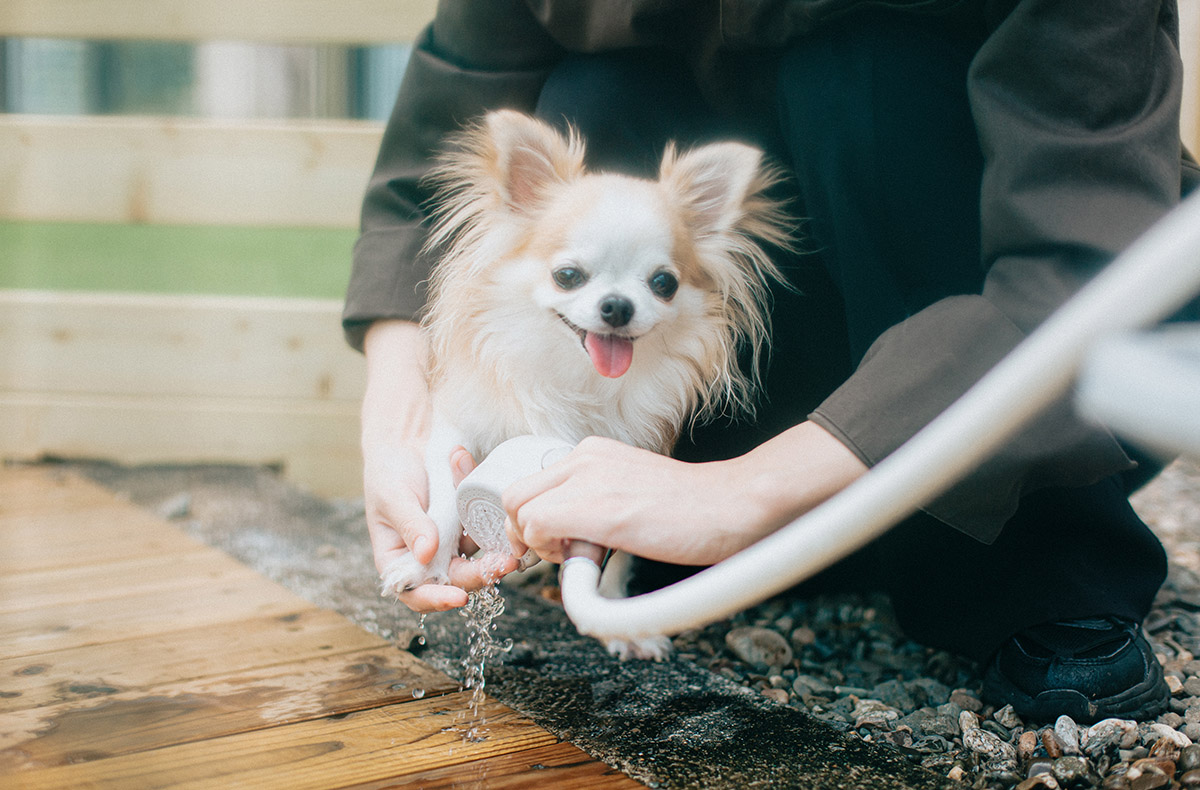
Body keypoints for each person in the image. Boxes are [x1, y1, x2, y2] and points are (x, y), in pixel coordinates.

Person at [344, 0, 1199, 722]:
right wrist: (402, 410)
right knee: (600, 90)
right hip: (738, 370)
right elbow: (454, 98)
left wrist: (739, 494)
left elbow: (1077, 267)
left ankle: (1039, 561)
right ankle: (680, 517)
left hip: (990, 308)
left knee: (864, 75)